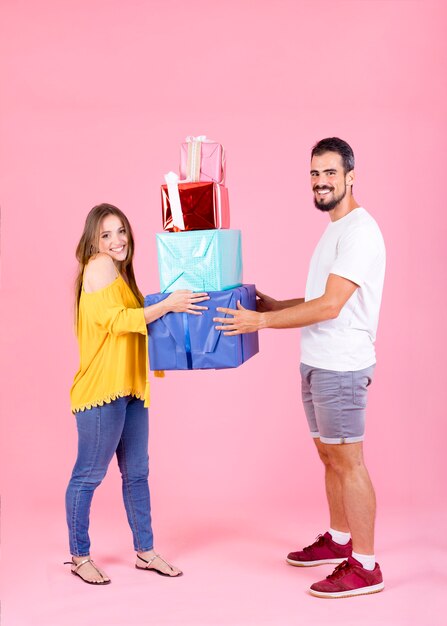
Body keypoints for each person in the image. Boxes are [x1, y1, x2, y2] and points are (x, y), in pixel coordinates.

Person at [213, 138, 386, 599]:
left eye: (330, 173)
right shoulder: (334, 229)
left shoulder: (360, 231)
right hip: (316, 362)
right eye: (314, 174)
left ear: (351, 176)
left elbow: (331, 306)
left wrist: (262, 320)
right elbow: (317, 301)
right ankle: (339, 539)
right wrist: (276, 304)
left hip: (341, 367)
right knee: (329, 458)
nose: (321, 182)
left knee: (349, 463)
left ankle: (366, 566)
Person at [65, 203, 209, 585]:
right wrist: (168, 304)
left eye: (121, 231)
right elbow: (119, 323)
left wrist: (170, 305)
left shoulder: (122, 277)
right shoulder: (98, 265)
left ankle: (145, 552)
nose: (116, 241)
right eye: (106, 234)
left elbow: (139, 323)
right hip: (101, 392)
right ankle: (80, 556)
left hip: (128, 389)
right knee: (88, 475)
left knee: (137, 474)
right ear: (93, 242)